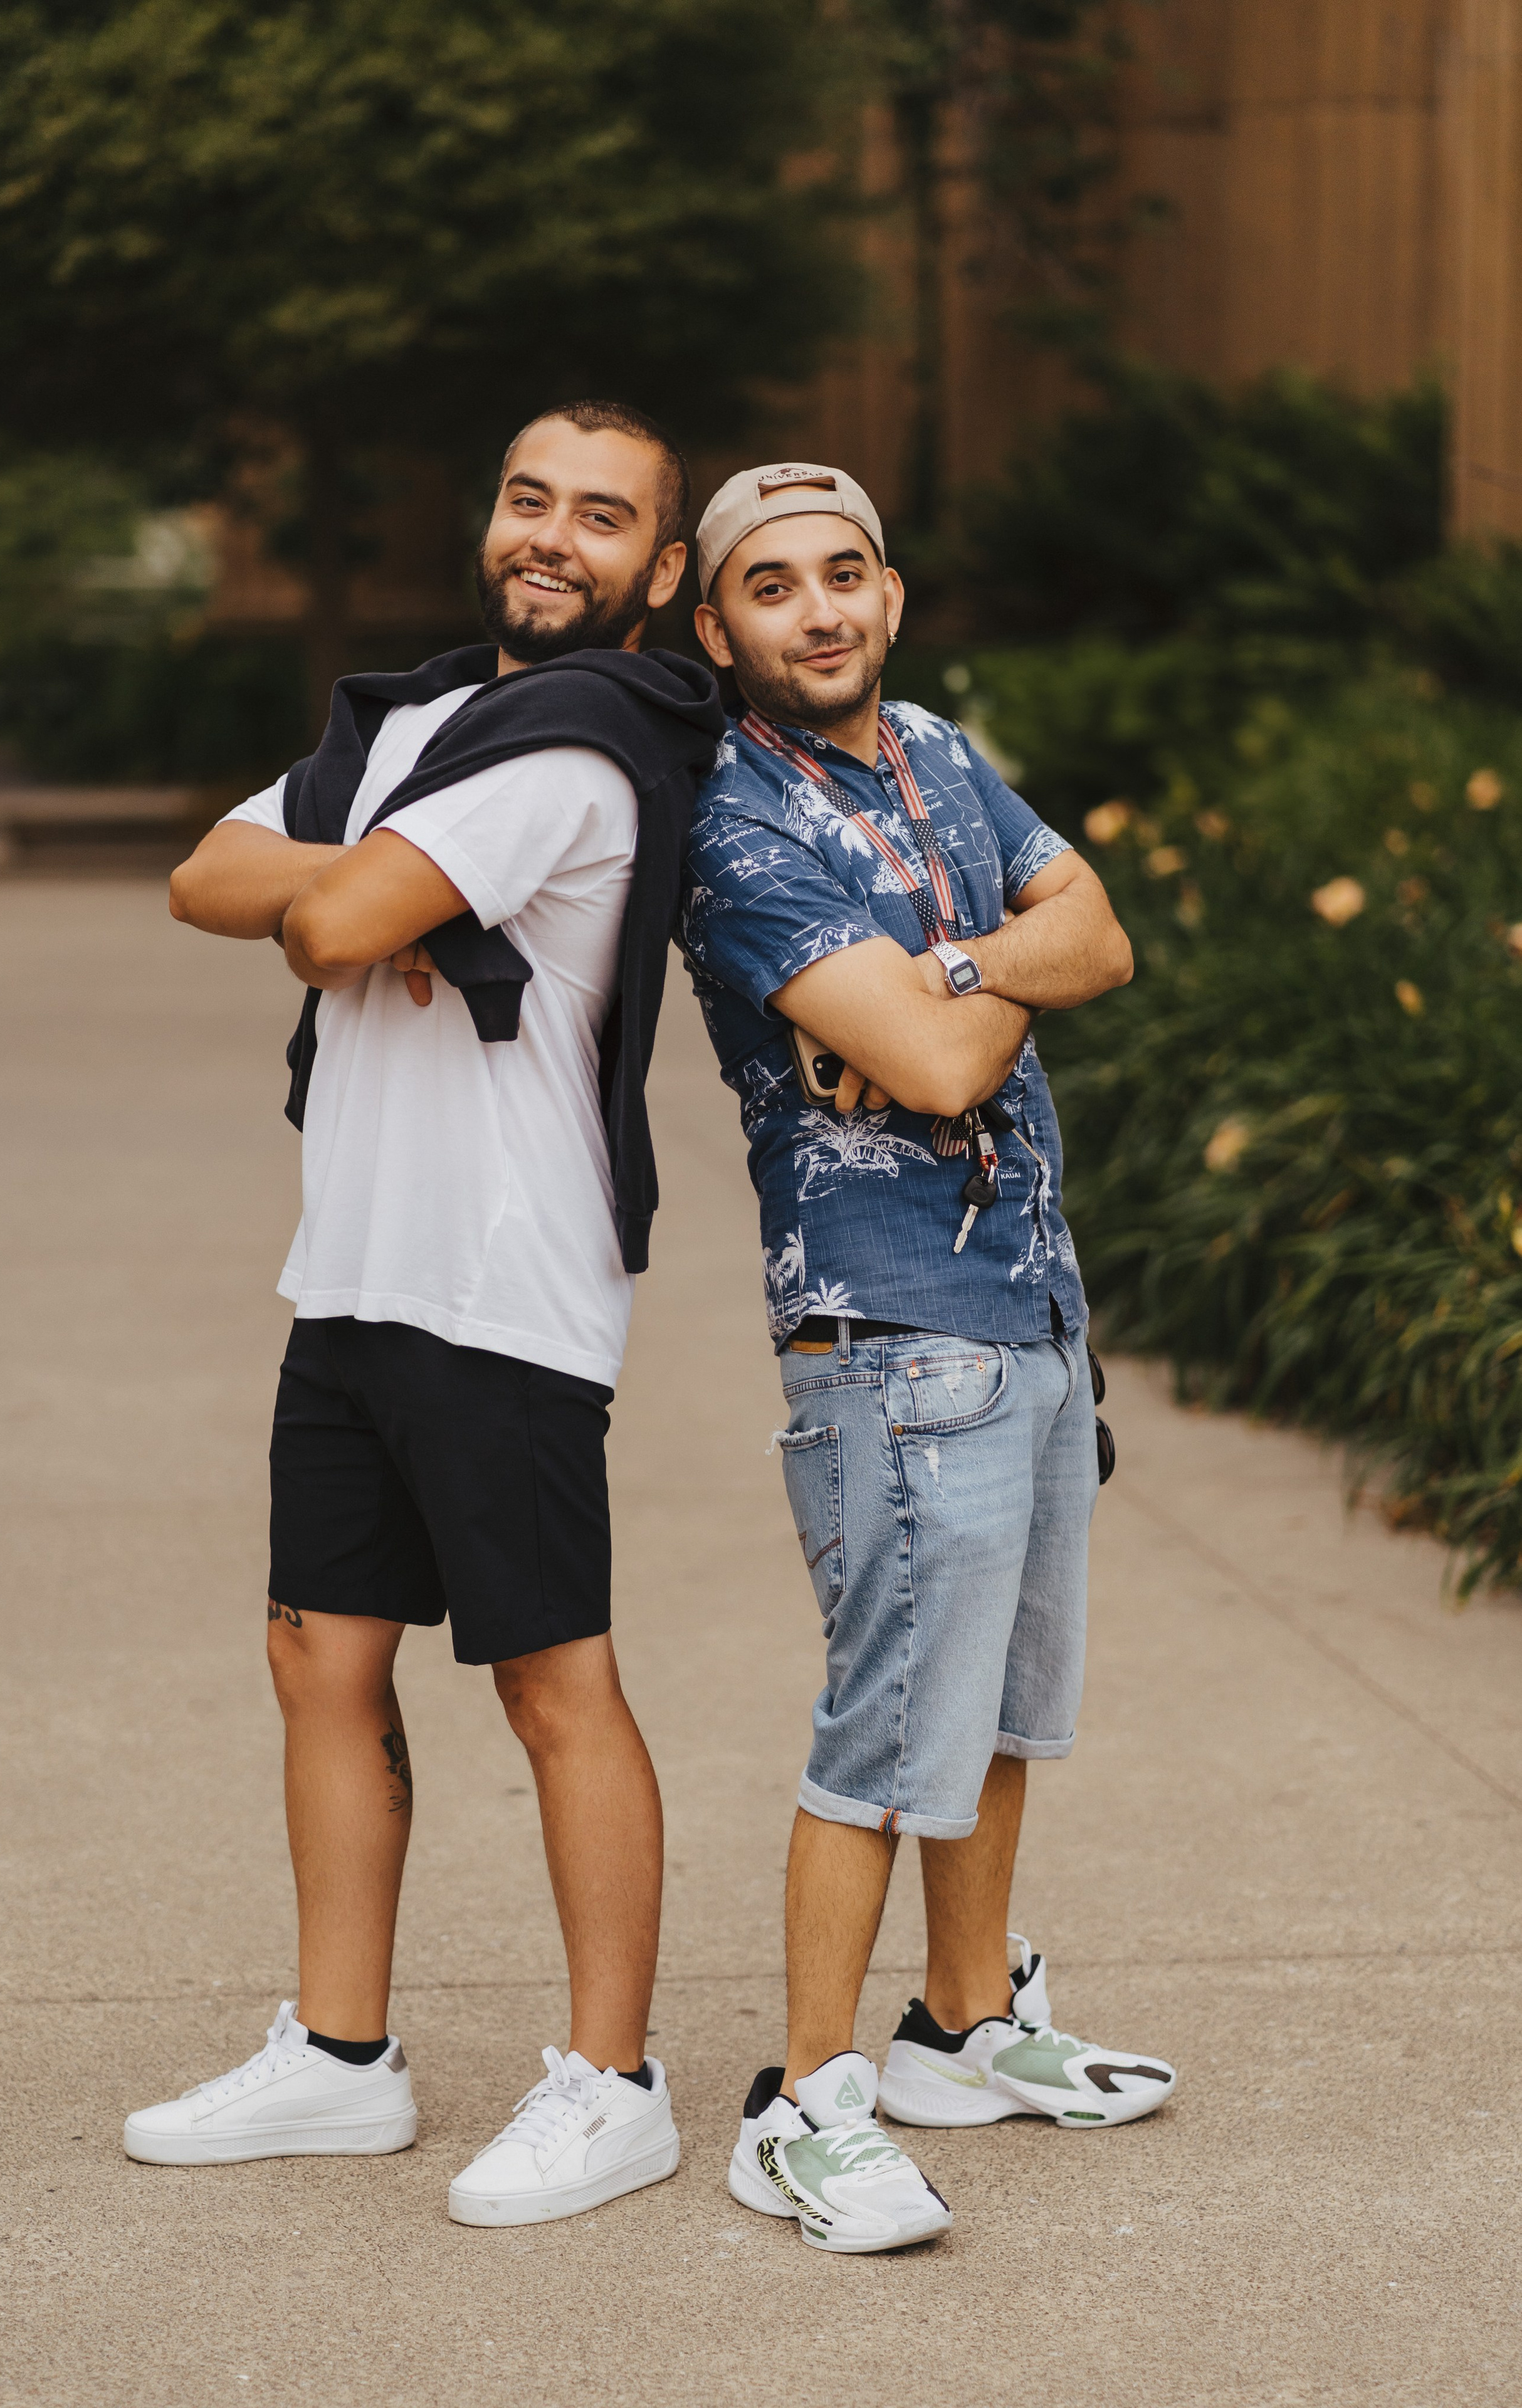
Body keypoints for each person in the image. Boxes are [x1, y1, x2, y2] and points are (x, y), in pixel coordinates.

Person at [122, 401, 725, 2229]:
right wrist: (361, 887)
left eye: (603, 516)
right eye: (532, 497)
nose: (554, 534)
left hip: (504, 1283)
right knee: (323, 1654)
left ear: (661, 569)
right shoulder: (412, 717)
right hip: (359, 1266)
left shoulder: (593, 742)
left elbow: (306, 920)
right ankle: (339, 2056)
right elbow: (202, 878)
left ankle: (614, 2082)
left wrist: (365, 892)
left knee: (553, 1680)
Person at [681, 461, 1177, 2254]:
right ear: (716, 623)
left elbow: (1100, 932)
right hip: (889, 1336)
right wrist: (985, 988)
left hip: (1033, 1308)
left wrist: (947, 959)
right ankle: (805, 2101)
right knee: (890, 1735)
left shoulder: (944, 753)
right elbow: (958, 1068)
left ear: (892, 595)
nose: (817, 610)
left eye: (845, 575)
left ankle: (960, 2028)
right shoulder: (733, 826)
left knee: (1006, 1715)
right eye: (771, 586)